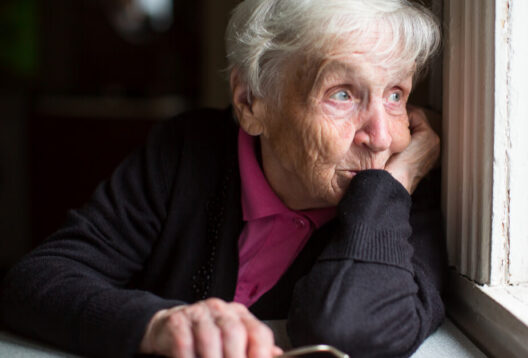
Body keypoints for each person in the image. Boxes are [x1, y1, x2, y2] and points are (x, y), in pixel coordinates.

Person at [0, 0, 444, 357]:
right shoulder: (186, 152)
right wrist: (158, 325)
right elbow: (36, 281)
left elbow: (349, 332)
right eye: (342, 94)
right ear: (251, 102)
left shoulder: (400, 196)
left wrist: (388, 189)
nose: (382, 137)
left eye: (395, 95)